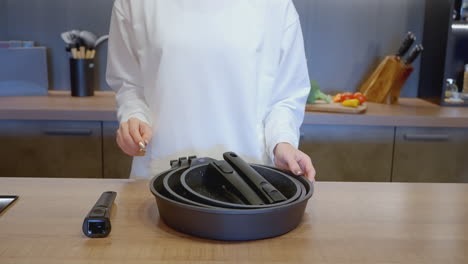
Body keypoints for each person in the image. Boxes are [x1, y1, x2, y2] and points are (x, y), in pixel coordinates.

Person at [106, 0, 316, 181]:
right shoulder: (134, 4)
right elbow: (129, 84)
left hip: (250, 179)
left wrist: (282, 141)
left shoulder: (276, 6)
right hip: (159, 172)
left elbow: (285, 96)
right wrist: (134, 118)